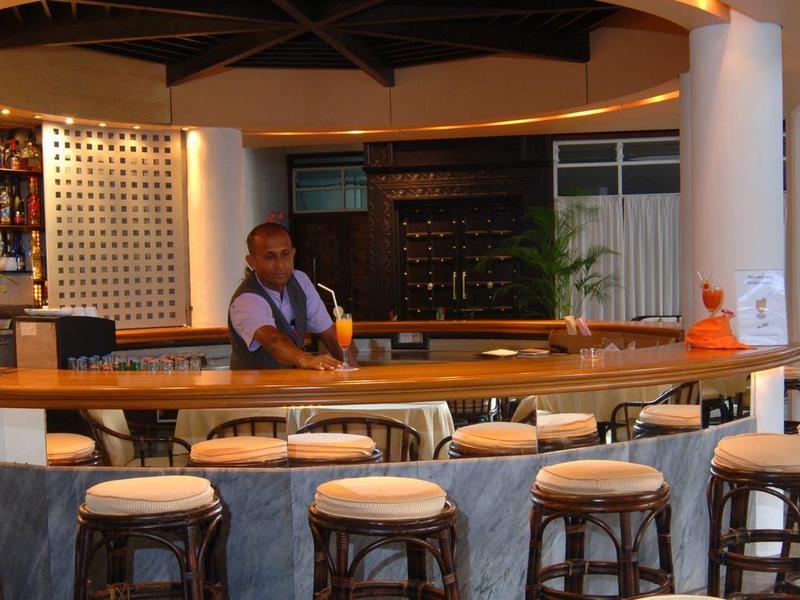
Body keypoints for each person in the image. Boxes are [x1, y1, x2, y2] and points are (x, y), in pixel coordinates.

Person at [228, 222, 350, 371]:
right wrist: (304, 358)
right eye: (270, 257)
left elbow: (331, 335)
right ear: (252, 262)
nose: (280, 265)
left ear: (293, 254)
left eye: (285, 254)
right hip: (255, 391)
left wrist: (356, 382)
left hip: (291, 387)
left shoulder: (300, 280)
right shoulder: (246, 300)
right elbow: (273, 341)